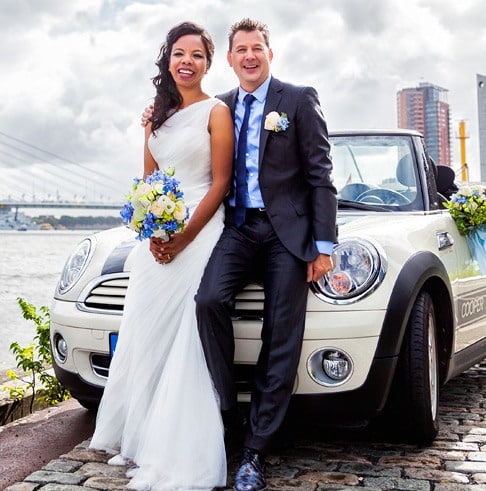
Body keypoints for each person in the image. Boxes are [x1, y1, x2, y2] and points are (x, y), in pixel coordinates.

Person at [141, 18, 337, 491]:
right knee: (208, 301)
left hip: (287, 235)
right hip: (237, 229)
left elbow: (320, 175)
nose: (249, 56)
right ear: (228, 59)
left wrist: (324, 246)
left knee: (281, 334)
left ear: (270, 53)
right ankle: (227, 415)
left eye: (257, 48)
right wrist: (155, 115)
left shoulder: (298, 99)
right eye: (240, 50)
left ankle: (255, 450)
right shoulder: (220, 107)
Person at [89, 21, 234, 491]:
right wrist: (152, 227)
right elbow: (148, 184)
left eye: (196, 54)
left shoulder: (217, 112)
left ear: (208, 64)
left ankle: (173, 446)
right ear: (167, 60)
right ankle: (139, 435)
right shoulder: (154, 117)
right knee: (146, 328)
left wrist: (184, 235)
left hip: (201, 227)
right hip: (159, 232)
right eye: (179, 53)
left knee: (182, 331)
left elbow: (220, 183)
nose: (186, 62)